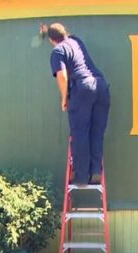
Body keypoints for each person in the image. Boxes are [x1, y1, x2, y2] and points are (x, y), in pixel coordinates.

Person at [41, 23, 110, 185]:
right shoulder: (76, 41)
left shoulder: (57, 51)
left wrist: (65, 98)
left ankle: (80, 177)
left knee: (80, 133)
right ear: (65, 33)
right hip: (101, 86)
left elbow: (62, 76)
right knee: (96, 133)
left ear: (51, 40)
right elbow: (65, 35)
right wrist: (47, 31)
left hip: (83, 88)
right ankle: (95, 173)